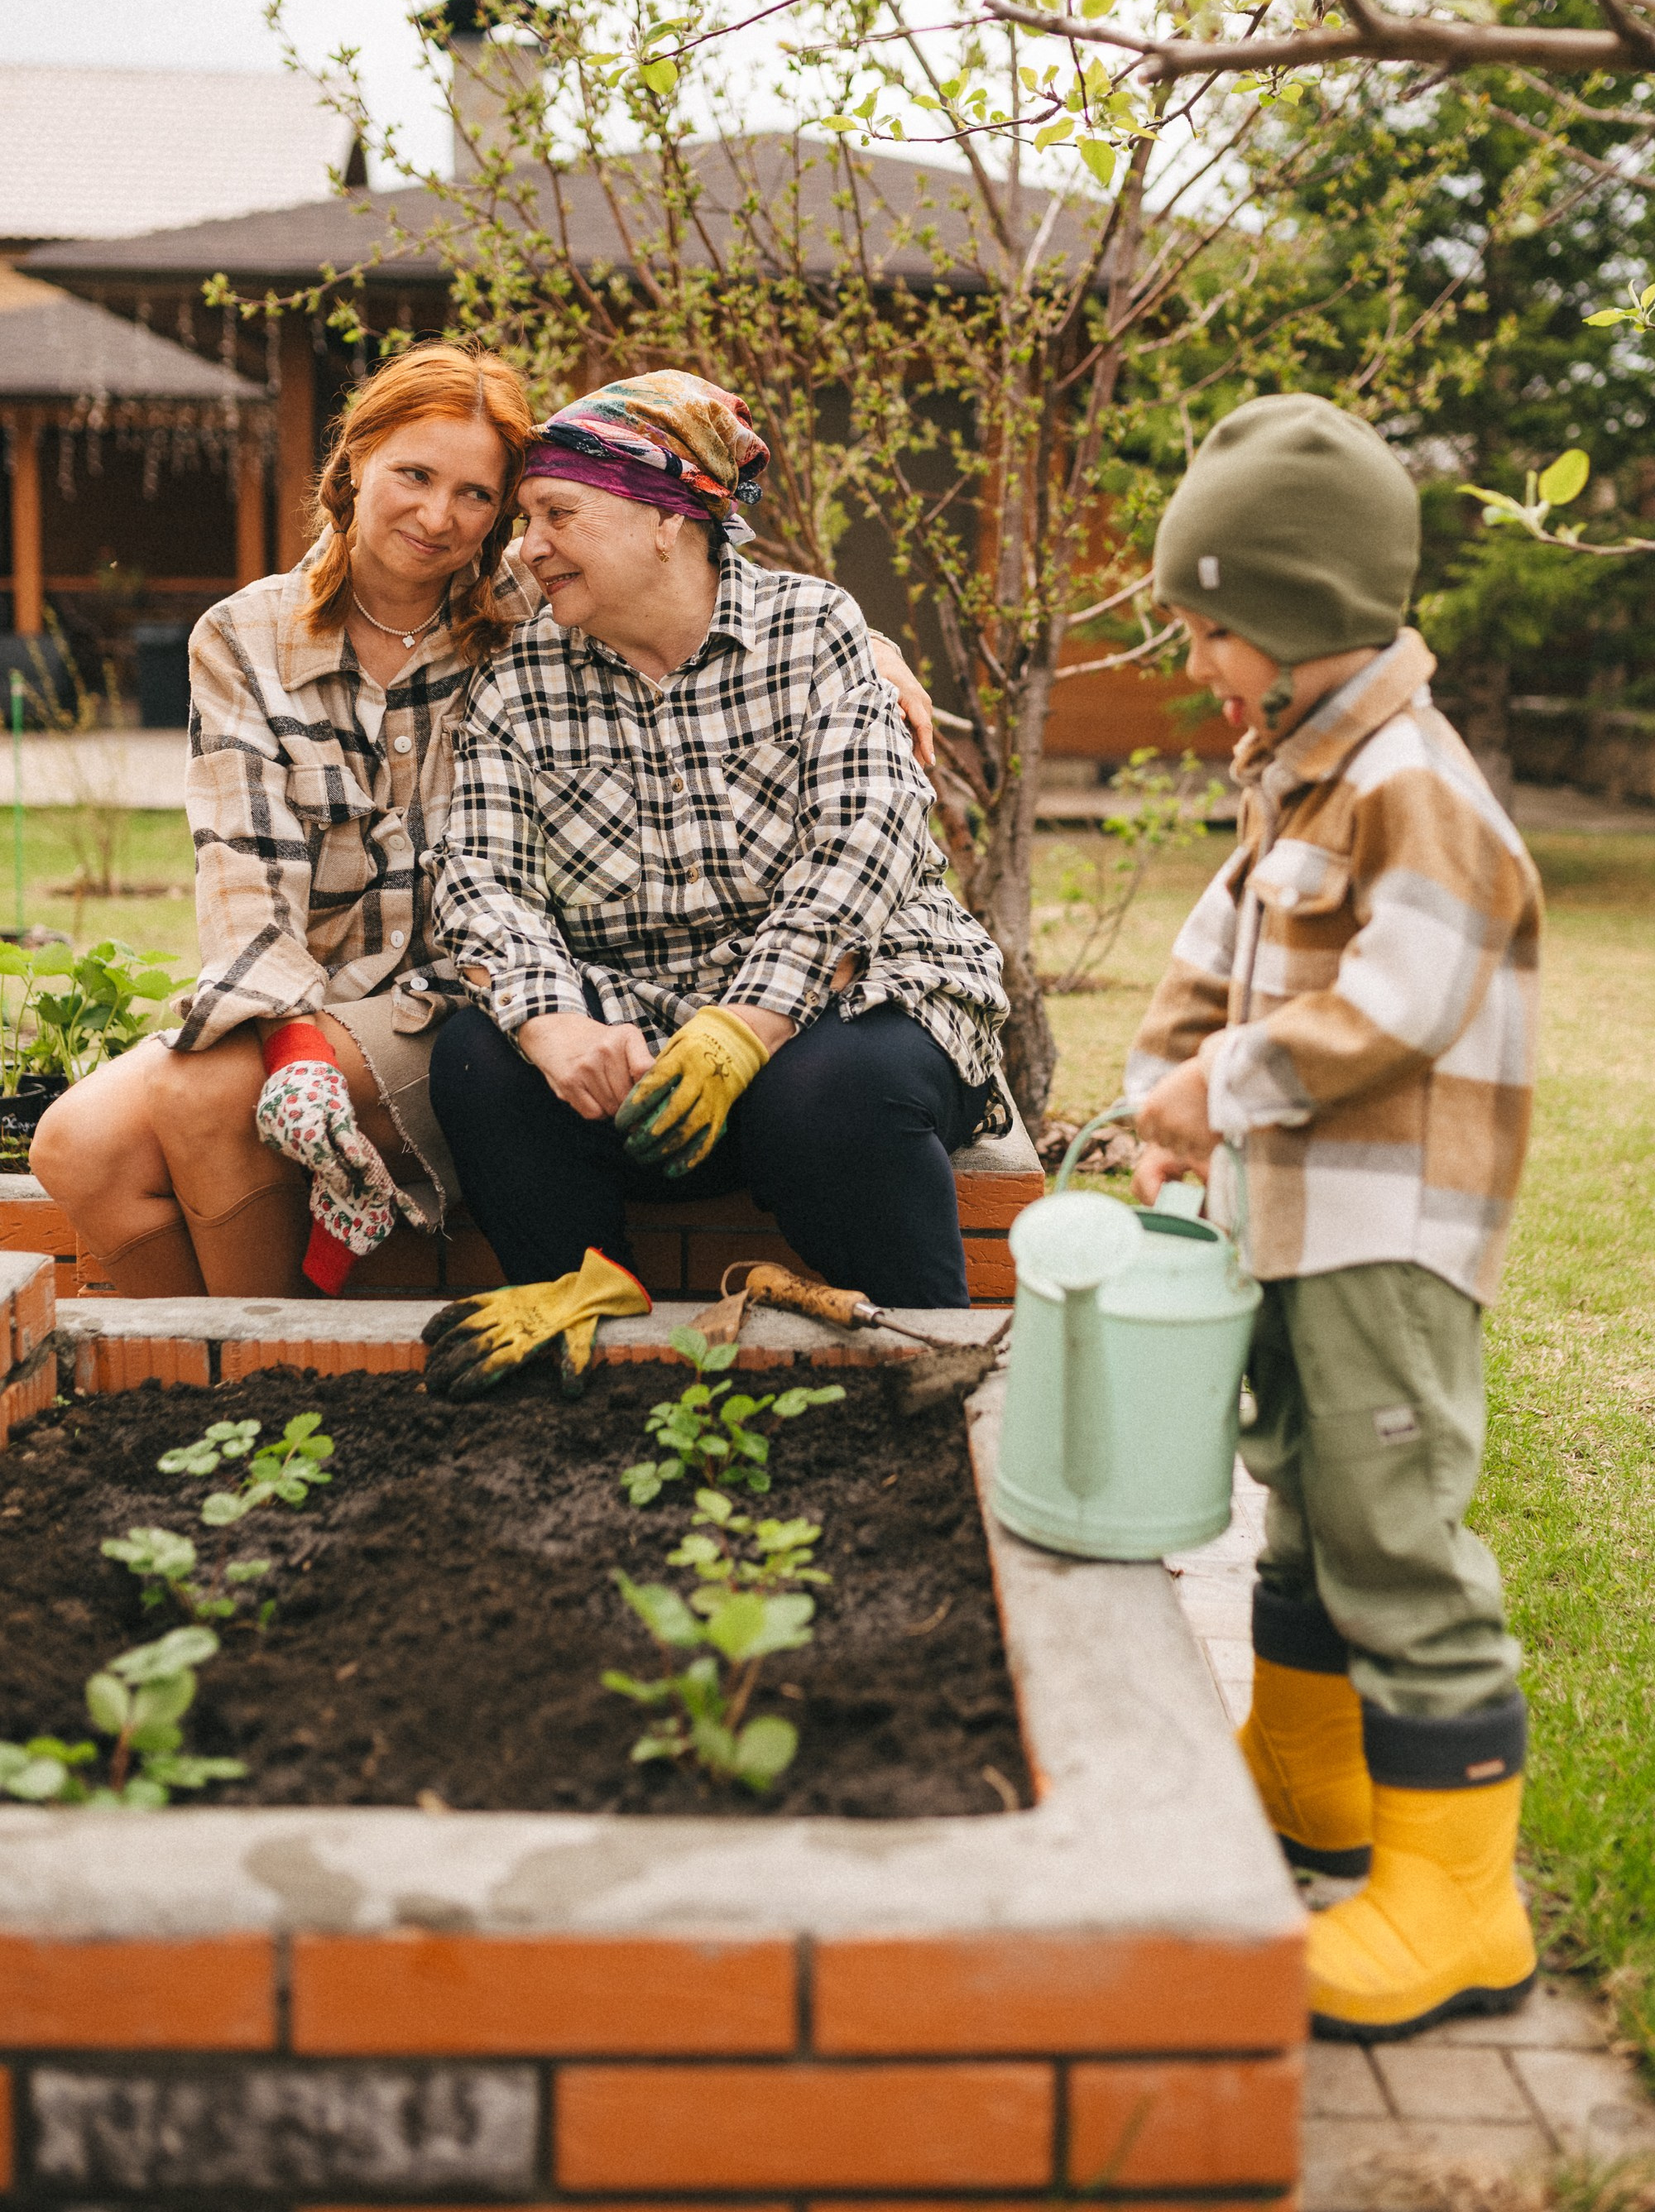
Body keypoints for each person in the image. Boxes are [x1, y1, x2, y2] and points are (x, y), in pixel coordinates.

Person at [31, 348, 935, 1298]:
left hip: (465, 993)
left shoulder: (517, 601)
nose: (438, 517)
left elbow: (684, 566)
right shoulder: (245, 637)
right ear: (353, 463)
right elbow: (242, 873)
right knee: (76, 1148)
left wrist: (869, 649)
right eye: (414, 476)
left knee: (200, 1098)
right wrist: (293, 1044)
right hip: (307, 993)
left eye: (475, 496)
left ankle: (274, 1361)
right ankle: (198, 1369)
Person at [1124, 393, 1542, 2044]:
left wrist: (1218, 1084)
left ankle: (1461, 1900)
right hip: (1294, 1225)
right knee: (1300, 1489)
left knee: (1393, 1533)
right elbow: (1213, 958)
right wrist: (1163, 1092)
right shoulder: (1295, 776)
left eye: (1210, 628)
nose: (1196, 661)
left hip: (1390, 1235)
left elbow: (1402, 999)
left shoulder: (1414, 787)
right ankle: (1314, 1787)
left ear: (1297, 618)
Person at [420, 369, 1010, 1399]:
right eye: (524, 520)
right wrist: (552, 1022)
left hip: (853, 1007)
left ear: (666, 521)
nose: (524, 548)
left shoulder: (813, 631)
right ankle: (585, 1295)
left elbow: (866, 841)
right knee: (479, 1058)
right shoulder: (520, 683)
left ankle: (932, 1355)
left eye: (557, 514)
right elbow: (481, 881)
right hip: (649, 1056)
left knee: (819, 1096)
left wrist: (748, 1023)